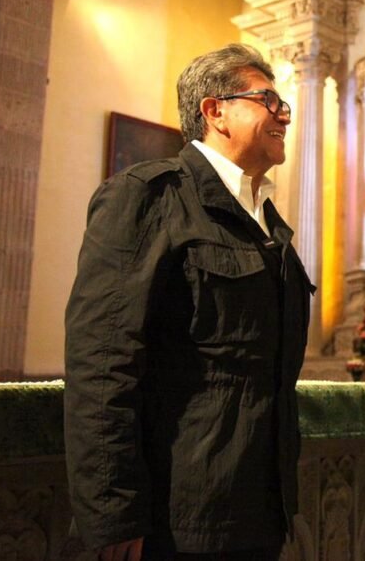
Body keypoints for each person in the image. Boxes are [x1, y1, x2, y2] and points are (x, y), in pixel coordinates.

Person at [65, 44, 314, 560]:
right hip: (179, 514)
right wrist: (112, 511)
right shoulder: (148, 197)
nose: (283, 114)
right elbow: (103, 362)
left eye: (283, 104)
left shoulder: (267, 220)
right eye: (267, 100)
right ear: (214, 110)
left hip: (258, 507)